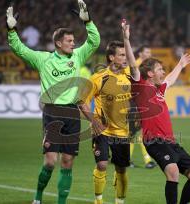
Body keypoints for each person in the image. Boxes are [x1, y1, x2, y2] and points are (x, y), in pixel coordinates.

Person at [6, 1, 100, 203]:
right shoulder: (43, 59)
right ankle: (38, 197)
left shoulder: (77, 56)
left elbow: (94, 42)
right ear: (58, 43)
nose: (73, 43)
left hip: (73, 113)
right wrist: (12, 29)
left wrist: (88, 22)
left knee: (67, 162)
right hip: (52, 112)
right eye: (69, 41)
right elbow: (19, 49)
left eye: (74, 40)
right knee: (50, 162)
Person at [131, 52, 190, 203]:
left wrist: (181, 65)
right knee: (173, 171)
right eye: (160, 69)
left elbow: (170, 79)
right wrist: (126, 39)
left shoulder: (160, 90)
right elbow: (133, 67)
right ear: (150, 73)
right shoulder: (142, 87)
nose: (163, 72)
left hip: (170, 142)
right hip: (154, 141)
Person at [80, 19, 139, 204]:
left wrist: (126, 39)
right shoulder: (98, 78)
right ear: (111, 57)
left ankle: (119, 201)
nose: (124, 58)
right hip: (102, 130)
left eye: (125, 55)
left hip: (122, 132)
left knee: (121, 170)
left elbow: (134, 64)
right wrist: (94, 120)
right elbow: (82, 103)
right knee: (102, 164)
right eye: (121, 55)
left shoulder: (130, 74)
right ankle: (98, 200)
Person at [129, 45, 156, 169]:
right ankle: (140, 159)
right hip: (134, 103)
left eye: (150, 51)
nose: (149, 53)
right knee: (134, 132)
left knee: (138, 132)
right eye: (147, 51)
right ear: (140, 54)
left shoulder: (145, 67)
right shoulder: (137, 66)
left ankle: (145, 159)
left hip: (141, 102)